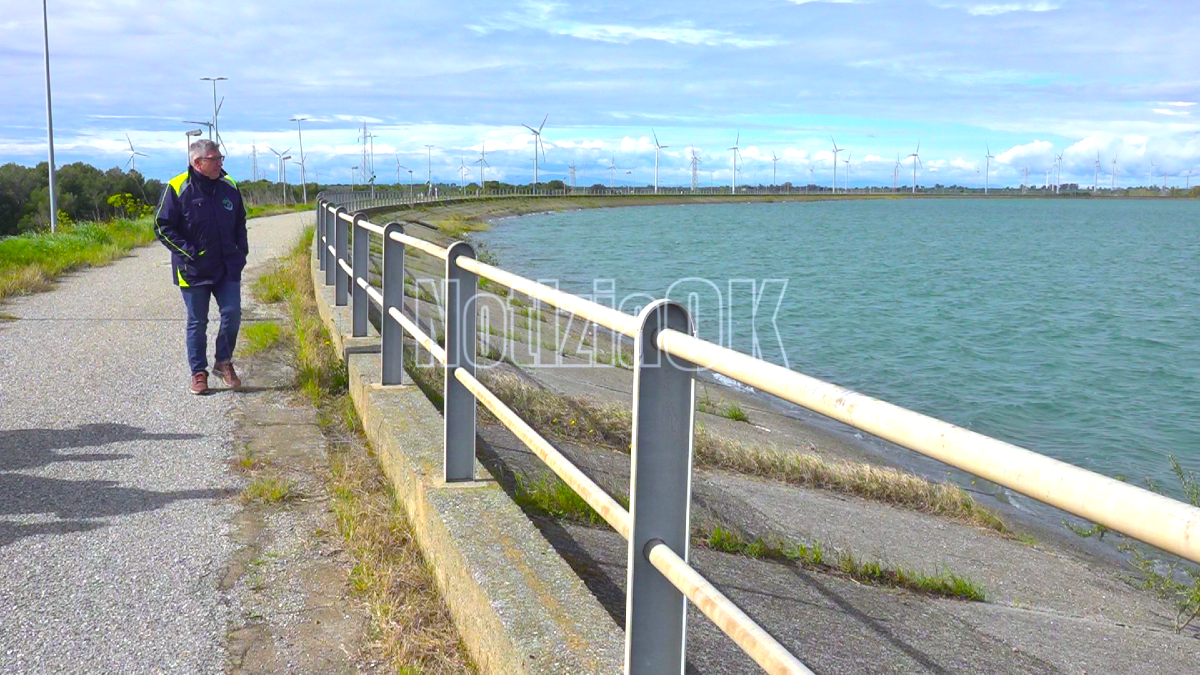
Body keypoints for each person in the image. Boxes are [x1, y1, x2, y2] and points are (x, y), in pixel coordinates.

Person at [154, 139, 248, 395]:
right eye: (214, 159)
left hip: (227, 266)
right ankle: (198, 372)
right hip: (192, 269)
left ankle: (223, 362)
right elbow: (162, 227)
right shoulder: (177, 186)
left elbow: (240, 222)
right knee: (198, 322)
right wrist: (191, 253)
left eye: (221, 159)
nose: (220, 163)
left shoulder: (230, 185)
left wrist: (241, 254)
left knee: (232, 314)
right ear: (198, 162)